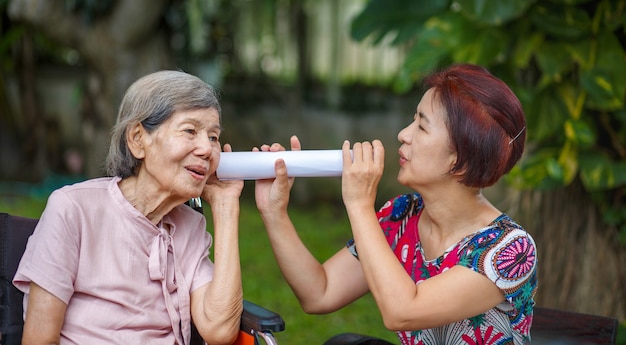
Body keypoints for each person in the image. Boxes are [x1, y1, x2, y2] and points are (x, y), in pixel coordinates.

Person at [254, 63, 538, 344]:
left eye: (422, 127)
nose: (404, 134)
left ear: (460, 159)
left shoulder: (508, 250)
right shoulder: (402, 215)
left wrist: (359, 204)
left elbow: (403, 312)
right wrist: (274, 211)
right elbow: (320, 292)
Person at [13, 70, 244, 345]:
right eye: (190, 131)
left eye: (214, 137)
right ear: (137, 139)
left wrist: (226, 206)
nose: (207, 149)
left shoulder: (190, 228)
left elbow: (219, 330)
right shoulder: (74, 210)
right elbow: (39, 340)